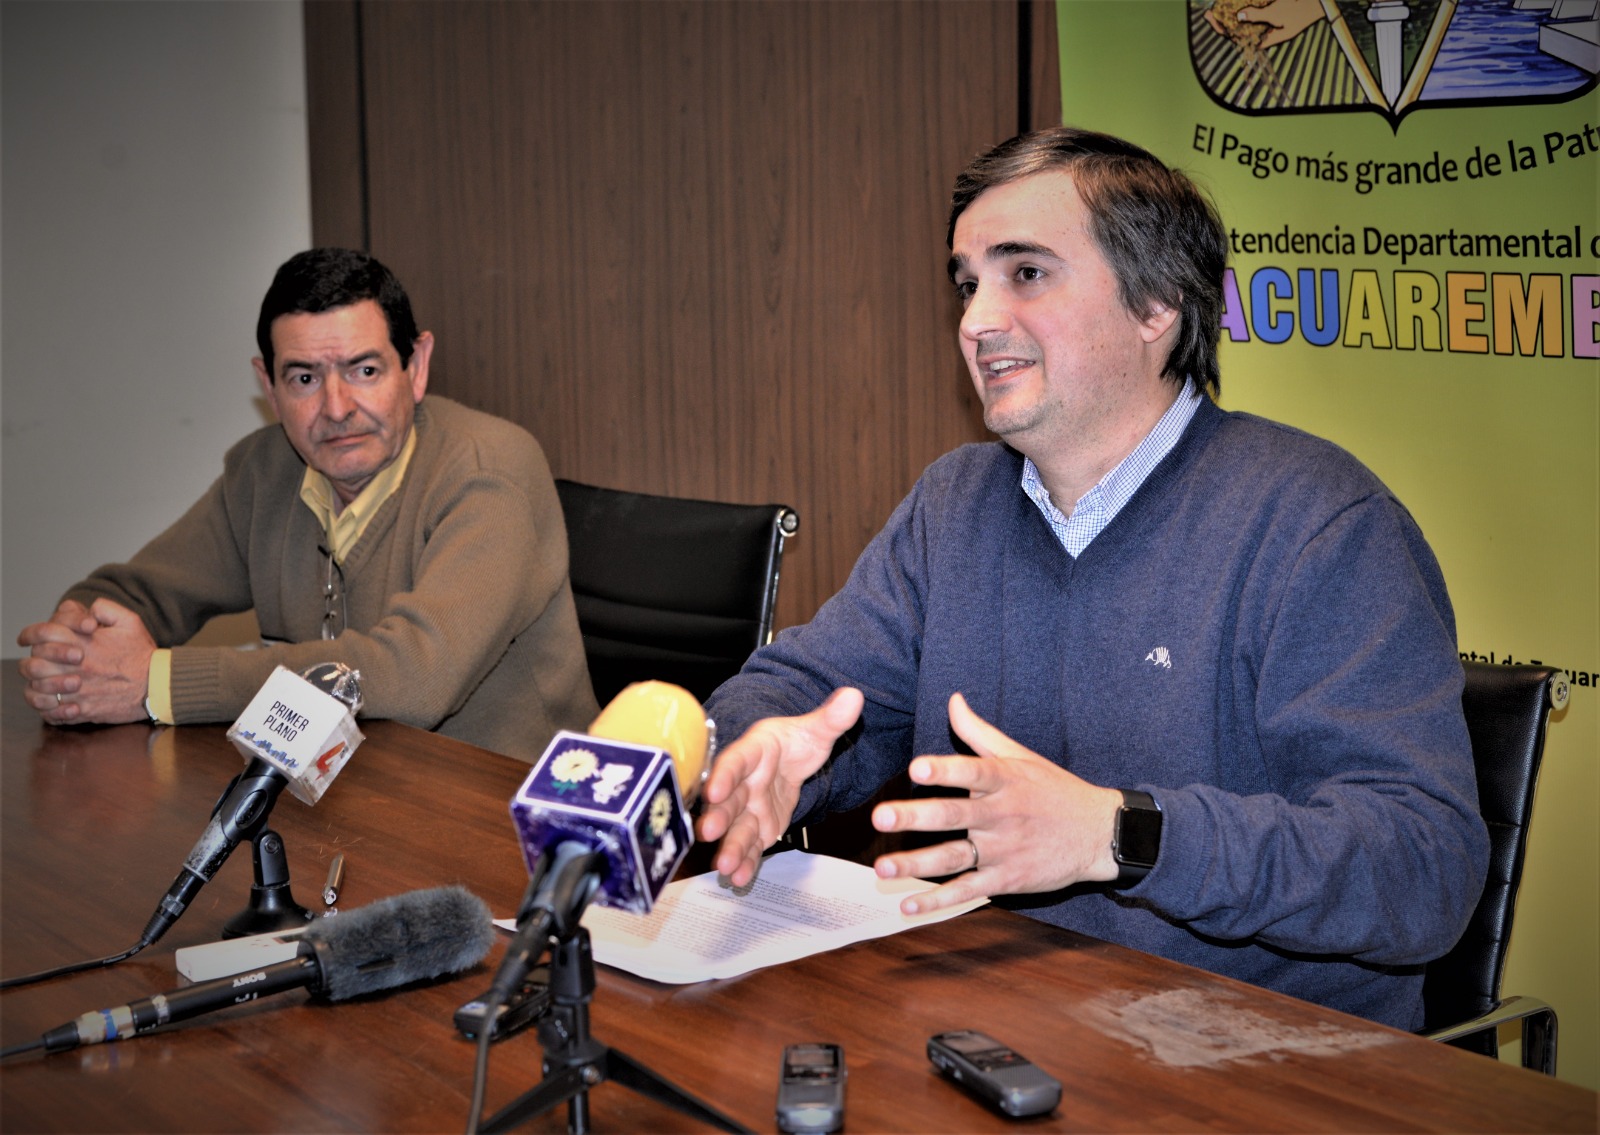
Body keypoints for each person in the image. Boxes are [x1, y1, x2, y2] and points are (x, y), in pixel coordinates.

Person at [696, 127, 1487, 1030]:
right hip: (1003, 1021)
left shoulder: (1321, 526)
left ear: (1157, 305)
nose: (974, 320)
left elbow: (1423, 866)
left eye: (1024, 273)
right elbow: (808, 689)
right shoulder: (954, 505)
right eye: (967, 282)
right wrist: (747, 749)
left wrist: (1121, 835)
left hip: (1264, 1061)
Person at [17, 248, 598, 761]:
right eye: (304, 379)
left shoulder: (489, 471)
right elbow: (135, 594)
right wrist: (78, 645)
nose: (337, 407)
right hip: (351, 803)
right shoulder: (263, 471)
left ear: (415, 368)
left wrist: (155, 681)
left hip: (522, 822)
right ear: (268, 387)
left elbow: (416, 677)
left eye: (364, 370)